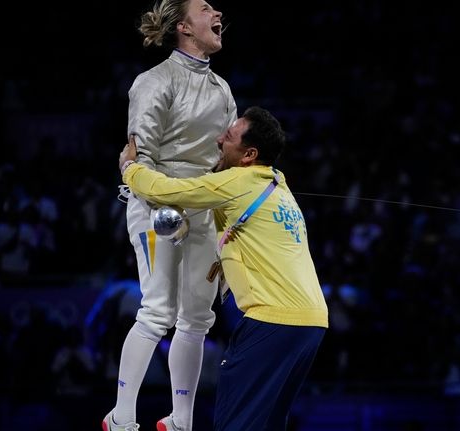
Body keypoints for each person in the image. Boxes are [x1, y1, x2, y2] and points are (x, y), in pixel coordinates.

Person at [118, 106, 329, 431]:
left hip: (272, 322)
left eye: (228, 137)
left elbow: (165, 191)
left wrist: (130, 168)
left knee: (237, 424)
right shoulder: (277, 185)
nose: (219, 139)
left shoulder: (238, 182)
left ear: (249, 154)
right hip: (311, 325)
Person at [103, 0, 237, 430]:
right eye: (206, 8)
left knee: (198, 316)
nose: (217, 12)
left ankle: (181, 420)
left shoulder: (222, 88)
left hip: (205, 208)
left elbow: (230, 162)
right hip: (157, 206)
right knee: (158, 310)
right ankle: (121, 417)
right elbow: (138, 155)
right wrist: (162, 208)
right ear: (184, 26)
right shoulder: (155, 81)